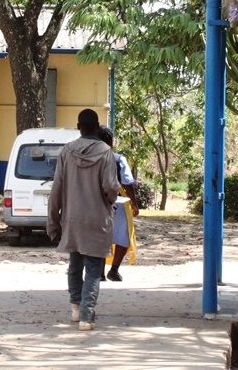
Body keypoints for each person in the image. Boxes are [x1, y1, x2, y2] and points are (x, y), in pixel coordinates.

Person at [47, 109, 119, 331]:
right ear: (97, 127)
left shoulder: (66, 152)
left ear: (79, 127)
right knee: (94, 268)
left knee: (75, 265)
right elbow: (110, 187)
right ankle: (88, 317)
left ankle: (76, 309)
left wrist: (53, 223)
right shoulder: (106, 153)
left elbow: (56, 189)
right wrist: (110, 199)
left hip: (72, 218)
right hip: (97, 219)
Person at [98, 125, 140, 282]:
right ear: (111, 142)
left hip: (97, 202)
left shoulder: (90, 159)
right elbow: (128, 182)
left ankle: (100, 272)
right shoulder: (118, 159)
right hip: (118, 202)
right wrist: (135, 204)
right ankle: (114, 270)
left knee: (101, 237)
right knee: (123, 237)